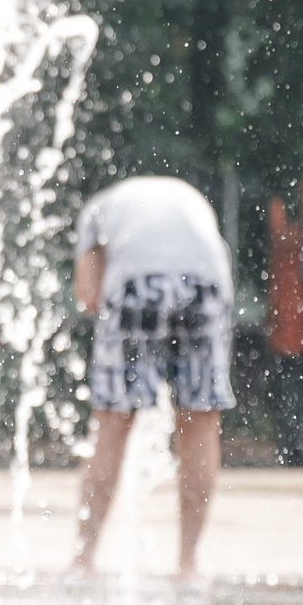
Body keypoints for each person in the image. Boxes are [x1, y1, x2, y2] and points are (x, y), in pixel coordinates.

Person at [69, 175, 236, 583]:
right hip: (207, 284)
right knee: (199, 420)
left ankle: (83, 562)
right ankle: (188, 566)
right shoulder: (188, 197)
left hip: (135, 284)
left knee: (112, 420)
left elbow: (88, 295)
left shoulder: (95, 211)